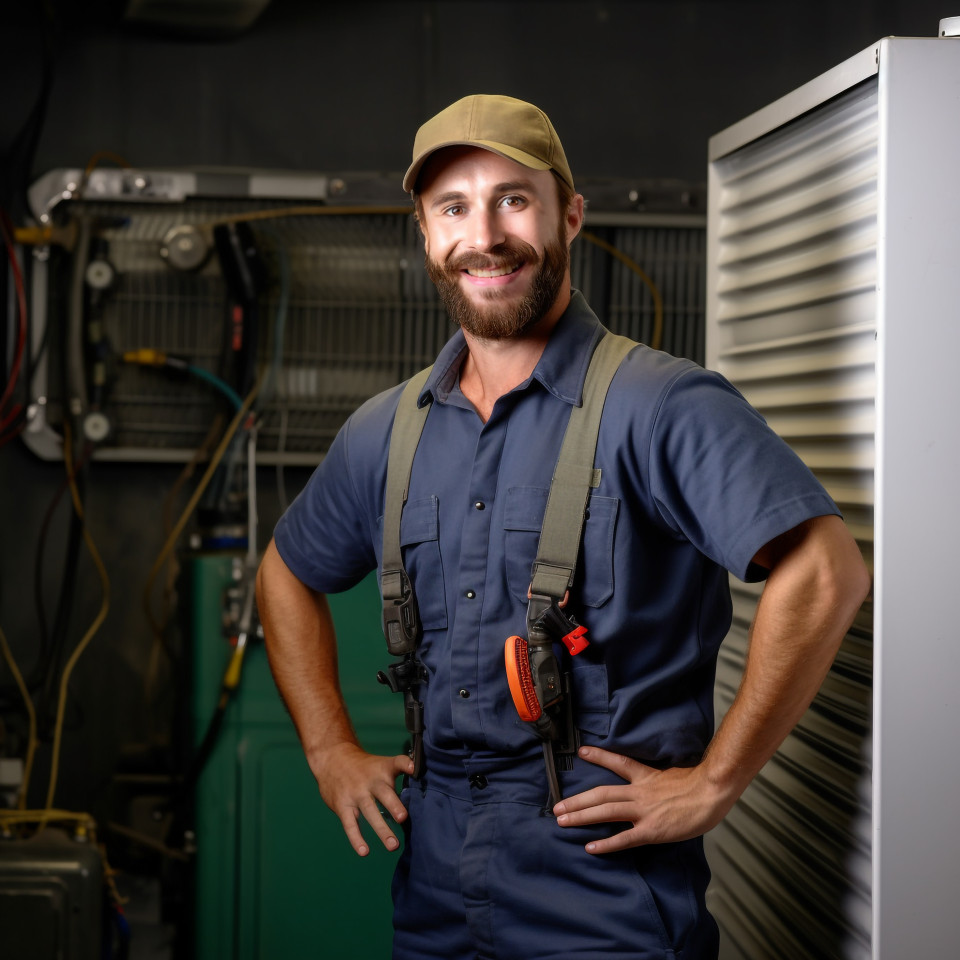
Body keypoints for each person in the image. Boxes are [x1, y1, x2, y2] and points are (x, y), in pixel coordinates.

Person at [255, 94, 870, 960]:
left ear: (569, 216)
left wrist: (714, 784)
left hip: (605, 895)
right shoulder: (384, 434)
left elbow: (825, 569)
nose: (485, 234)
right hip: (435, 889)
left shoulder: (662, 406)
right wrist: (327, 747)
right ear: (427, 237)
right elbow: (286, 572)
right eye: (453, 207)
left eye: (513, 198)